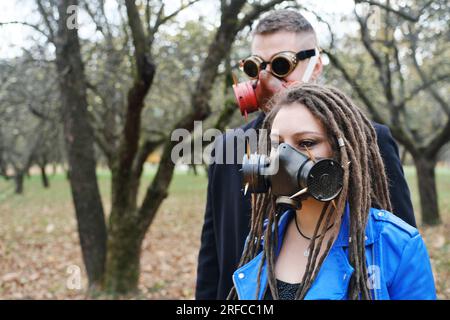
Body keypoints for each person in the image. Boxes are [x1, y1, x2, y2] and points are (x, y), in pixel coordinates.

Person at [195, 9, 415, 300]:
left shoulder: (366, 142)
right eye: (255, 67)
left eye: (282, 65)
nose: (266, 80)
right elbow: (211, 260)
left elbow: (399, 250)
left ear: (317, 65)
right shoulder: (227, 149)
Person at [227, 83, 435, 300]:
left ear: (341, 152)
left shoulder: (397, 245)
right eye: (276, 144)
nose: (283, 157)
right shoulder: (261, 239)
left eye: (306, 142)